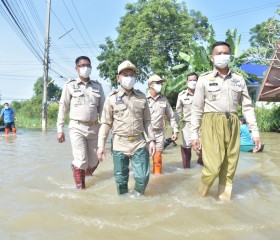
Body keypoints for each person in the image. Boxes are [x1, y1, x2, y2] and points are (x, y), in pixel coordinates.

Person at [191, 41, 262, 201]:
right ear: (212, 58)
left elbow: (247, 107)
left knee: (230, 167)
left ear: (230, 56)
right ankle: (200, 197)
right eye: (219, 53)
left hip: (233, 123)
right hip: (211, 122)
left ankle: (224, 201)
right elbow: (196, 108)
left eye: (225, 53)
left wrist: (255, 132)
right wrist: (194, 135)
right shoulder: (204, 79)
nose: (223, 56)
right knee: (213, 167)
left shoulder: (238, 79)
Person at [97, 60, 156, 195]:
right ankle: (123, 204)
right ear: (118, 78)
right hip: (119, 144)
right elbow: (106, 123)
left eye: (131, 74)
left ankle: (136, 197)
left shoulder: (142, 97)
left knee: (143, 178)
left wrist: (151, 140)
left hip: (139, 143)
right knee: (121, 180)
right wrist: (101, 146)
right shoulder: (111, 99)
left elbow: (147, 120)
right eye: (125, 74)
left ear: (136, 77)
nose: (128, 77)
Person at [57, 56, 105, 189]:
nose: (86, 68)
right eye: (83, 65)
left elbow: (103, 109)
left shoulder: (97, 86)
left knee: (95, 161)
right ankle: (81, 189)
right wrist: (60, 129)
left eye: (88, 65)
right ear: (76, 68)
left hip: (94, 128)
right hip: (77, 127)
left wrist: (105, 128)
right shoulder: (70, 85)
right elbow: (63, 107)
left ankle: (78, 169)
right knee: (81, 160)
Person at [146, 74, 179, 174]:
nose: (161, 85)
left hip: (159, 133)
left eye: (161, 83)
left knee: (157, 159)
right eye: (158, 83)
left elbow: (171, 117)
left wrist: (175, 130)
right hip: (145, 134)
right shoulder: (143, 99)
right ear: (151, 85)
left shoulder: (164, 100)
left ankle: (157, 180)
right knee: (143, 160)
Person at [175, 72, 203, 168]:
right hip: (187, 126)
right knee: (187, 149)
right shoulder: (182, 95)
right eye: (190, 80)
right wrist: (175, 129)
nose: (192, 82)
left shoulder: (203, 93)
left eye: (194, 80)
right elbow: (178, 113)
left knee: (201, 150)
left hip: (201, 125)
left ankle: (200, 165)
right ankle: (186, 170)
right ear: (187, 82)